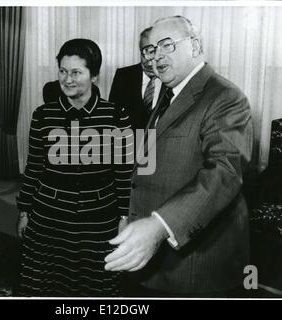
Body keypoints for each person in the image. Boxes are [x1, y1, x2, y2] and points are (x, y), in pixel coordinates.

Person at [104, 16, 254, 297]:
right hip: (154, 255)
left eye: (166, 45)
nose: (156, 56)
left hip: (196, 262)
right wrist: (131, 214)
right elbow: (147, 162)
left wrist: (160, 226)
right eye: (150, 49)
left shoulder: (226, 97)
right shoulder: (168, 95)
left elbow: (224, 173)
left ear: (195, 46)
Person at [16, 38, 133, 297]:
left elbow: (123, 175)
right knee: (45, 283)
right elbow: (34, 167)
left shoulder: (116, 115)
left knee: (95, 285)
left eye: (76, 72)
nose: (67, 79)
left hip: (99, 219)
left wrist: (124, 218)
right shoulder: (43, 115)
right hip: (49, 216)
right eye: (63, 71)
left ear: (94, 76)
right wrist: (24, 211)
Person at [109, 27, 165, 130]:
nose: (148, 63)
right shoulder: (123, 76)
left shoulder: (172, 79)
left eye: (152, 53)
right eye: (144, 53)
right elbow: (113, 120)